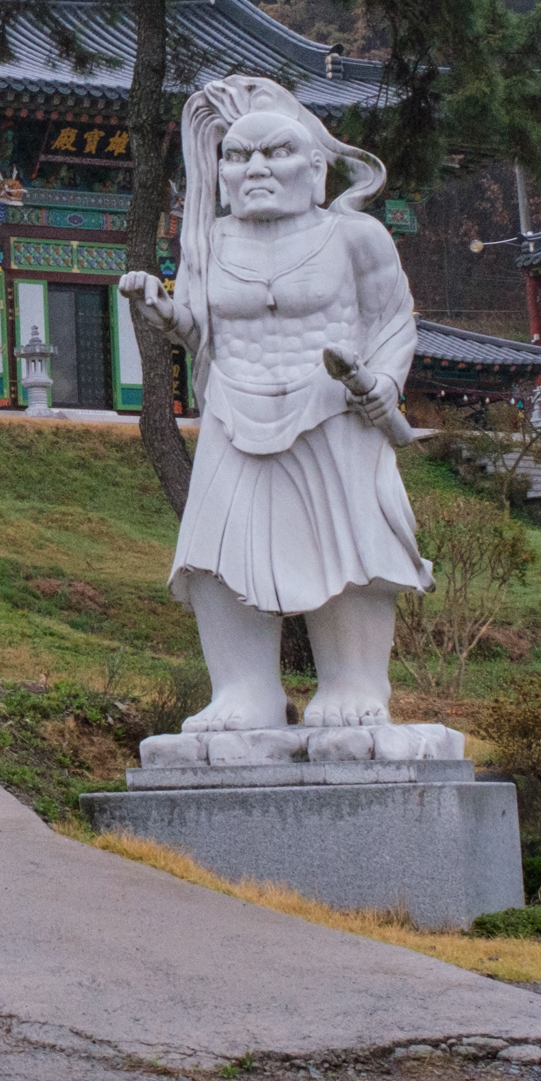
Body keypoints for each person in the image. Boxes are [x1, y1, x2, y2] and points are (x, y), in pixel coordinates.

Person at [118, 75, 429, 732]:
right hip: (236, 408)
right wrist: (166, 313)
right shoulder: (211, 241)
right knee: (216, 555)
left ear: (316, 167)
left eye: (275, 153)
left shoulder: (354, 235)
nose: (254, 167)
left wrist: (383, 385)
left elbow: (394, 318)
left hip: (331, 411)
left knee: (346, 551)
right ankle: (244, 689)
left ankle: (353, 682)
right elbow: (204, 329)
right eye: (236, 155)